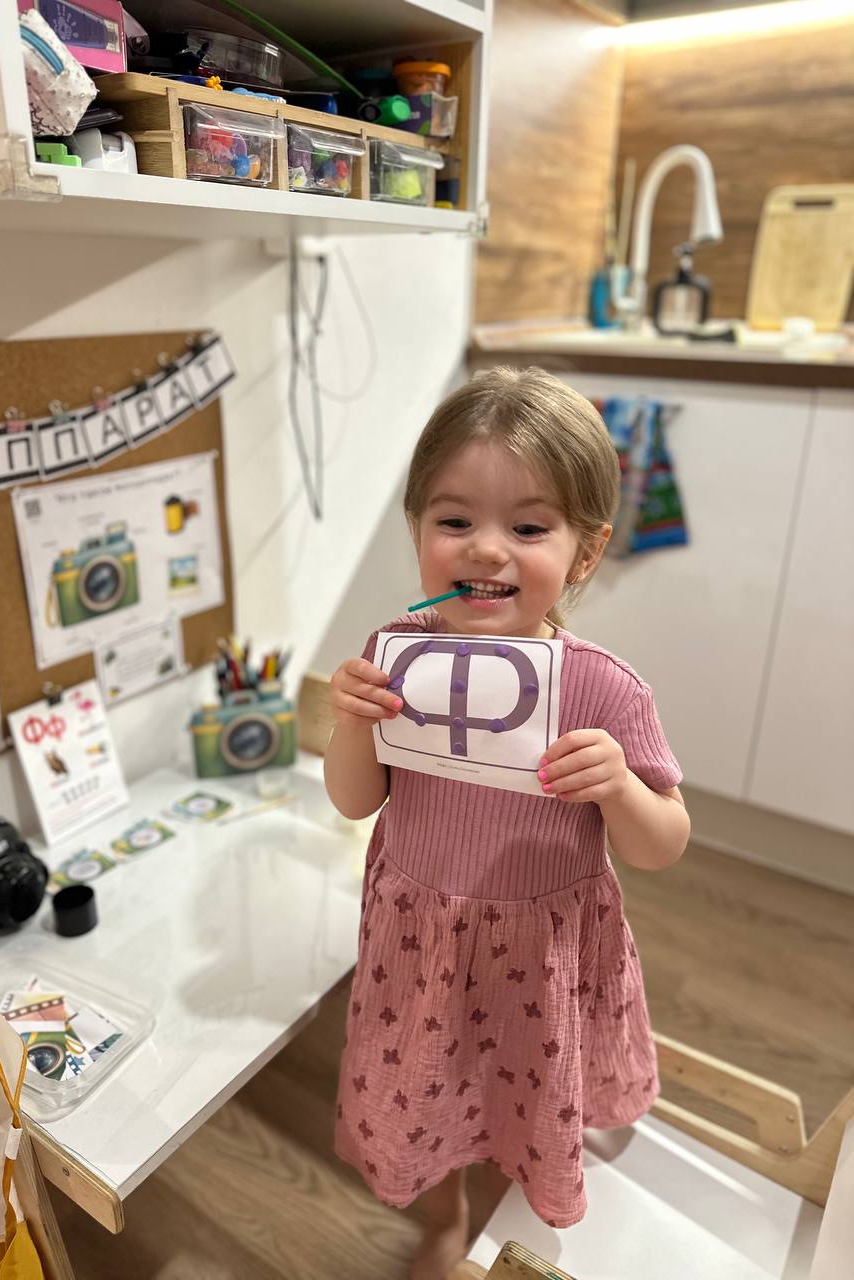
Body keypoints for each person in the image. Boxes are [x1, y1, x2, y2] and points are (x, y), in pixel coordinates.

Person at [324, 367, 691, 1280]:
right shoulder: (393, 658)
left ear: (585, 553)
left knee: (529, 1083)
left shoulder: (603, 687)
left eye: (528, 528)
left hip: (543, 945)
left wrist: (620, 787)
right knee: (428, 1087)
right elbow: (354, 799)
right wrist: (351, 724)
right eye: (455, 521)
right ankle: (445, 1212)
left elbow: (663, 842)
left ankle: (525, 1188)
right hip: (421, 940)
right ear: (418, 530)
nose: (486, 549)